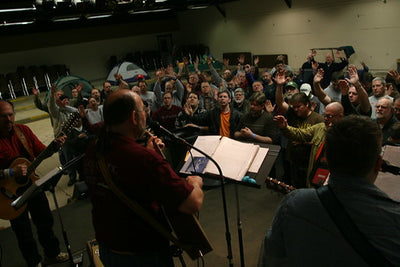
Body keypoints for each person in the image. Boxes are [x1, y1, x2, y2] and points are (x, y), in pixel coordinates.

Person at [82, 90, 204, 266]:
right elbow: (192, 203)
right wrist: (195, 182)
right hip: (143, 253)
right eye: (143, 111)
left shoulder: (93, 149)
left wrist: (149, 153)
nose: (146, 115)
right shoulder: (143, 159)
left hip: (108, 247)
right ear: (134, 117)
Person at [259, 115, 400, 266]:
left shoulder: (295, 203)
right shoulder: (394, 218)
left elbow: (270, 259)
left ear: (326, 157)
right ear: (378, 163)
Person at [0, 100, 68, 267]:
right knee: (23, 232)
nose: (9, 119)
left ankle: (52, 254)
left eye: (10, 114)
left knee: (45, 221)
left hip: (32, 186)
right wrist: (10, 172)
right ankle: (34, 262)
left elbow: (40, 151)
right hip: (9, 195)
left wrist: (54, 147)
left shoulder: (23, 131)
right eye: (3, 116)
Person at [274, 102, 344, 187]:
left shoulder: (345, 134)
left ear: (340, 116)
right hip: (314, 176)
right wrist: (285, 127)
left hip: (333, 181)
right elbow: (301, 134)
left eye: (329, 116)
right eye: (324, 115)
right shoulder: (320, 127)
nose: (325, 119)